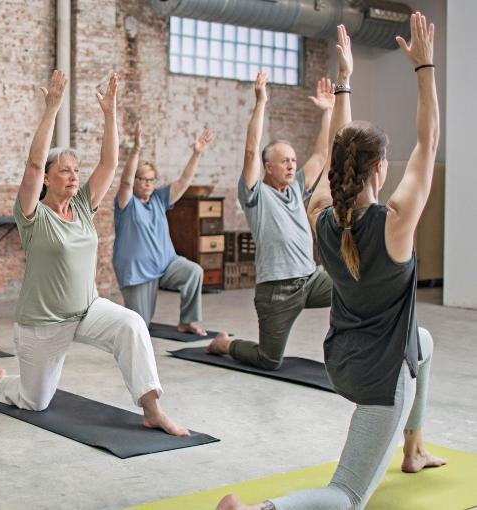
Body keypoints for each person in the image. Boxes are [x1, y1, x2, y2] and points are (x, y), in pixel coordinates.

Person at [218, 16, 446, 510]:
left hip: (339, 363)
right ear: (381, 169)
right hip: (379, 379)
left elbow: (347, 145)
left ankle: (415, 447)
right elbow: (429, 142)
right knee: (347, 494)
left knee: (422, 342)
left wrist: (346, 81)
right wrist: (425, 66)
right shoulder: (395, 224)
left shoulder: (322, 217)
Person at [0, 70, 188, 435]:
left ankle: (152, 408)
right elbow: (32, 164)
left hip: (87, 309)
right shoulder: (32, 214)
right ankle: (0, 381)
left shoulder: (84, 206)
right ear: (47, 178)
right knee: (35, 401)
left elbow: (109, 164)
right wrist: (53, 109)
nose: (74, 176)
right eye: (64, 171)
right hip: (42, 322)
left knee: (131, 324)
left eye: (76, 170)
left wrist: (109, 113)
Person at [206, 70, 336, 370]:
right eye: (285, 161)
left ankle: (348, 352)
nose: (292, 165)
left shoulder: (295, 189)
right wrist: (261, 101)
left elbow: (321, 153)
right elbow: (251, 149)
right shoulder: (255, 195)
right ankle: (225, 344)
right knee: (269, 360)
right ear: (268, 166)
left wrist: (328, 113)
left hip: (311, 279)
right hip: (277, 291)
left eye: (293, 160)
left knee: (354, 287)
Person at [113, 120, 229, 341]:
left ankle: (187, 321)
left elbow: (184, 181)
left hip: (166, 264)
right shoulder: (126, 204)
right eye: (142, 179)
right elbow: (125, 183)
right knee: (139, 327)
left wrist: (196, 154)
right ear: (135, 181)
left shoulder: (158, 198)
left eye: (151, 180)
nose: (147, 183)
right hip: (138, 273)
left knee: (193, 271)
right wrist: (136, 149)